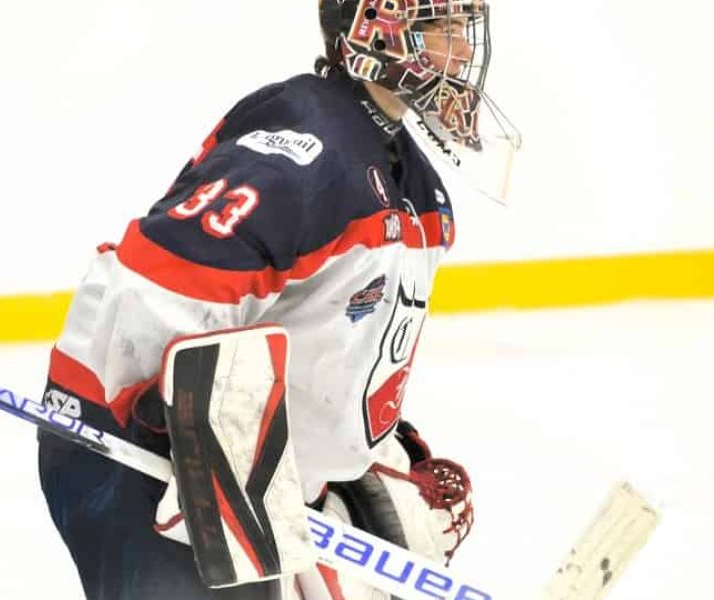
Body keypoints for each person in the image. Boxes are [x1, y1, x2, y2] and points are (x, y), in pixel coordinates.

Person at [38, 0, 519, 598]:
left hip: (255, 482)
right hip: (136, 462)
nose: (465, 51)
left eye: (462, 28)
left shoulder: (415, 186)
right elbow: (149, 296)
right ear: (378, 35)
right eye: (442, 29)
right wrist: (179, 443)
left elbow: (330, 351)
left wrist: (359, 453)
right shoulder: (305, 152)